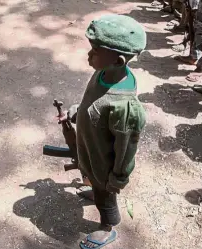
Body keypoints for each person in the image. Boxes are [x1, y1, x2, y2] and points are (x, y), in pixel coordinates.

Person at [63, 14, 147, 249]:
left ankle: (107, 226)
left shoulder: (124, 106)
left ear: (119, 61)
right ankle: (96, 188)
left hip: (104, 163)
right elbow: (93, 99)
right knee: (90, 175)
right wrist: (78, 111)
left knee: (104, 194)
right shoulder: (104, 73)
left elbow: (126, 147)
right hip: (90, 148)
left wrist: (117, 178)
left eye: (95, 52)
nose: (89, 56)